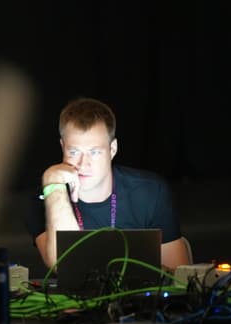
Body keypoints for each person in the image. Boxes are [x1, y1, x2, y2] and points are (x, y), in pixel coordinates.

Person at [27, 97, 189, 272]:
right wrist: (53, 183)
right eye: (74, 152)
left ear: (112, 149)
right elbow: (63, 265)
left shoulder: (149, 192)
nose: (83, 164)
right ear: (62, 147)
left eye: (94, 152)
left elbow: (180, 278)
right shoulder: (46, 197)